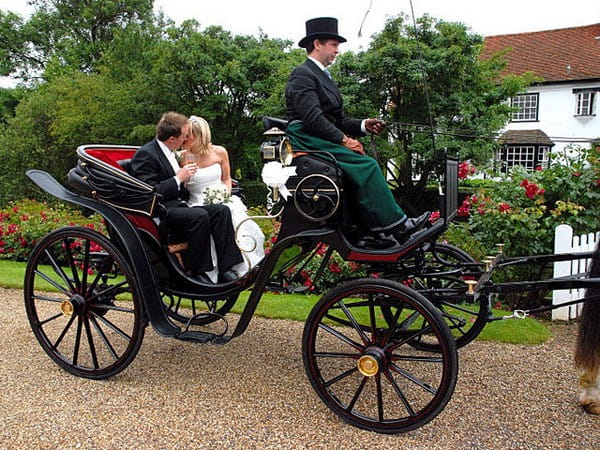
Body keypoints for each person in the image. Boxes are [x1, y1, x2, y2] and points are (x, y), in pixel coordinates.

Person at [285, 17, 430, 243]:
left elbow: (337, 118)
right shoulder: (302, 74)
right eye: (334, 45)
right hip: (305, 136)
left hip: (317, 134)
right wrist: (344, 140)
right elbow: (313, 118)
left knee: (361, 164)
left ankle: (372, 229)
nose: (337, 51)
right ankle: (398, 226)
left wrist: (364, 125)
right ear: (317, 44)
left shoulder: (321, 76)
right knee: (367, 166)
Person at [130, 111, 243, 283]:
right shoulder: (147, 154)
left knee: (221, 211)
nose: (186, 140)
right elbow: (149, 191)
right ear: (172, 139)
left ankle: (226, 267)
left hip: (180, 204)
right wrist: (178, 179)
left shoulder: (173, 152)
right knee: (199, 216)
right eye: (184, 136)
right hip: (161, 210)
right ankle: (198, 271)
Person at [181, 115, 265, 283]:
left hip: (221, 198)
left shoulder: (220, 152)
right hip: (197, 202)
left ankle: (236, 266)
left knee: (232, 214)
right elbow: (180, 185)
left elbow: (227, 179)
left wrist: (225, 195)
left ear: (198, 136)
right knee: (218, 215)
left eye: (187, 135)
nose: (184, 139)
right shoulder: (183, 157)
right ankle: (220, 270)